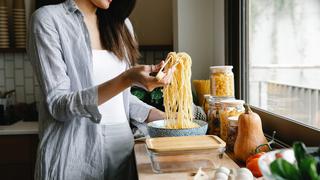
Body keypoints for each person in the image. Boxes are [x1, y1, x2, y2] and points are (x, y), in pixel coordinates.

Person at [27, 0, 172, 179]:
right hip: (74, 153)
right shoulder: (48, 20)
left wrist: (157, 115)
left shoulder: (122, 24)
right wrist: (126, 79)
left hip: (123, 150)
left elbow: (119, 98)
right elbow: (59, 105)